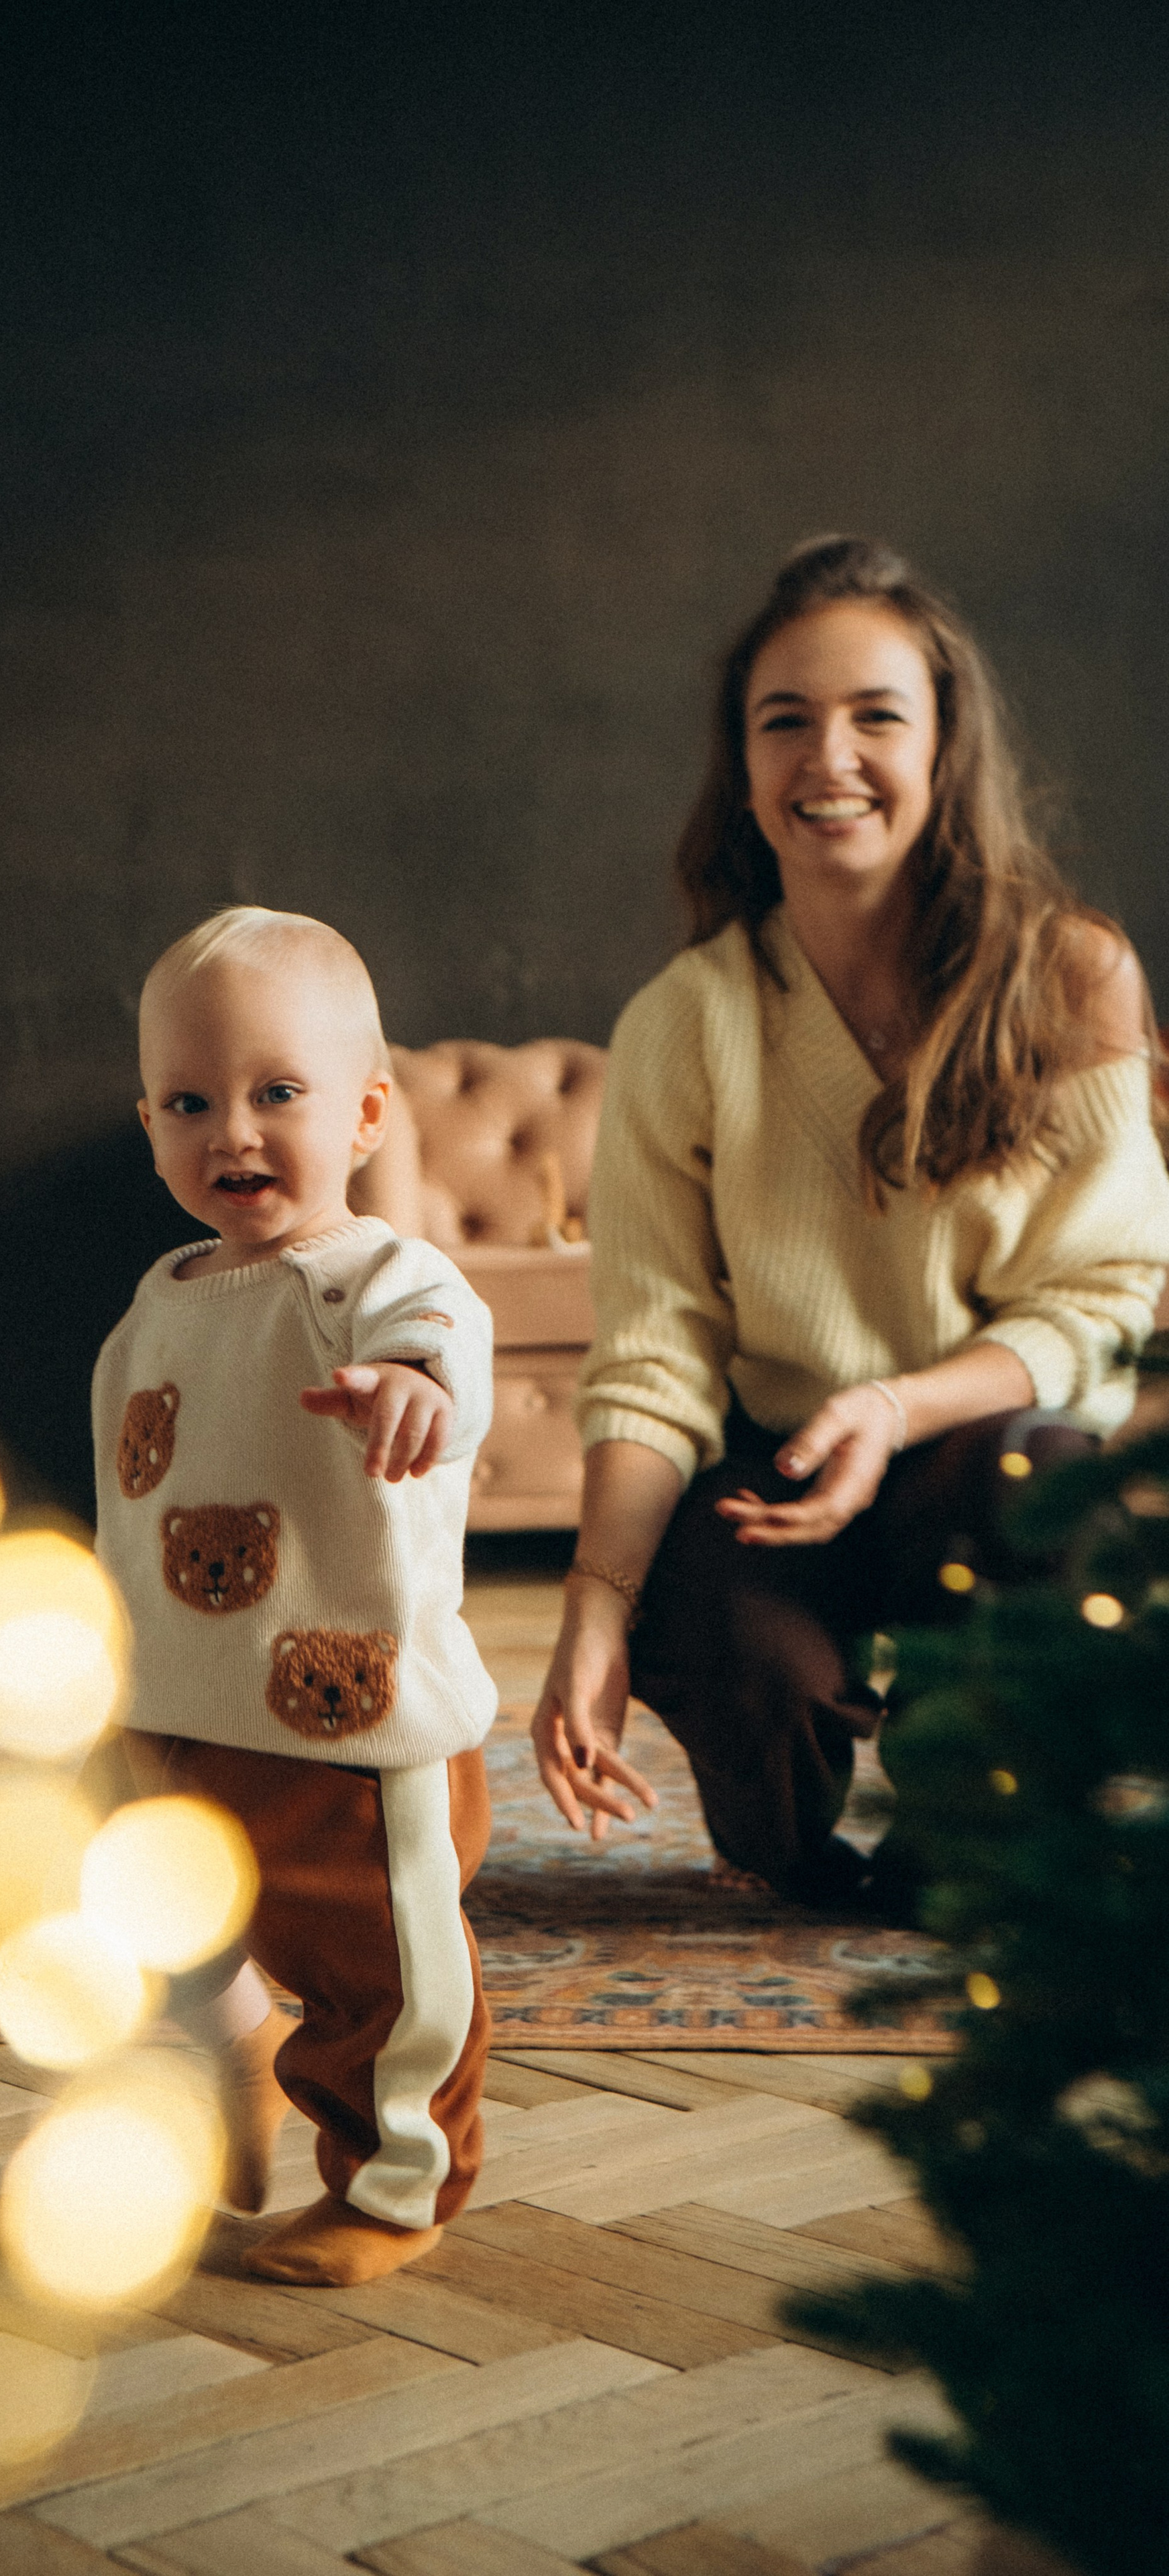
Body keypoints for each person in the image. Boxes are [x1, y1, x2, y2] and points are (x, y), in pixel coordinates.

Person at [533, 535, 1169, 1913]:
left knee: (1043, 1486)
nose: (828, 756)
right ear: (742, 769)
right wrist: (589, 1605)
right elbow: (653, 1350)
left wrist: (893, 1407)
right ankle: (792, 1811)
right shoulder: (683, 1023)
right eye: (785, 721)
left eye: (875, 715)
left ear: (943, 748)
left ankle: (976, 1797)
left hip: (970, 1449)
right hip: (770, 1476)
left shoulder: (1070, 978)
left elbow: (1102, 1297)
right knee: (763, 1799)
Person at [93, 905, 497, 2286]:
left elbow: (442, 1350)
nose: (233, 1134)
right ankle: (227, 2053)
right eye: (190, 1102)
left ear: (368, 1113)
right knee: (161, 1913)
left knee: (373, 1969)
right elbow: (132, 1500)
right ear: (145, 1120)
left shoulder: (379, 1278)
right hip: (173, 1696)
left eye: (277, 1094)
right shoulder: (158, 1297)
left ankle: (395, 2185)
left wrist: (412, 1393)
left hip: (340, 1706)